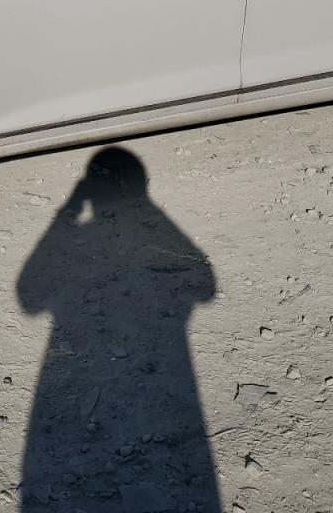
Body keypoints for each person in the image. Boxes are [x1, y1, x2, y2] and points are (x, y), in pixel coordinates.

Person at [17, 147, 219, 511]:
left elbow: (28, 296)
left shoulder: (97, 227)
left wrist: (68, 212)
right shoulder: (153, 222)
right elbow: (205, 285)